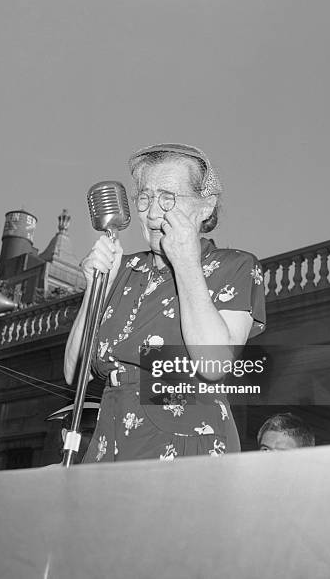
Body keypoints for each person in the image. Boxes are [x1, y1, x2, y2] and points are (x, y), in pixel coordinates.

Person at [64, 143, 266, 462]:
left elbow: (214, 365)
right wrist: (94, 288)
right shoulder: (122, 270)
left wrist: (185, 260)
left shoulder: (234, 266)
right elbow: (75, 376)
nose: (154, 212)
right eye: (145, 197)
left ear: (205, 207)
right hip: (110, 436)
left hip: (184, 442)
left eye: (169, 197)